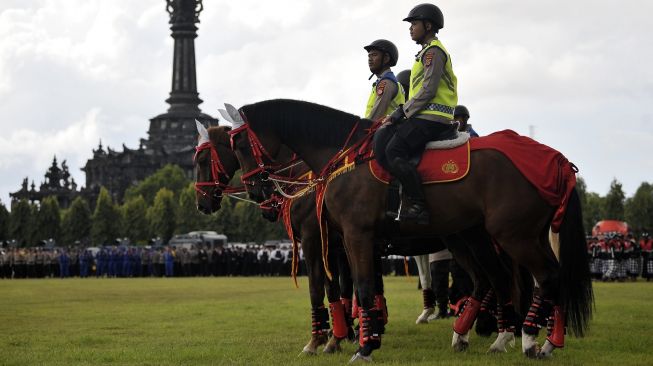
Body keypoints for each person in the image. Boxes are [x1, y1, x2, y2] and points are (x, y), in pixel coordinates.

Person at [382, 3, 458, 224]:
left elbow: (428, 90)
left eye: (414, 24)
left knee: (394, 149)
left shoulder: (433, 52)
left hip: (432, 117)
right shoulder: (425, 52)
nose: (410, 28)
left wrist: (400, 113)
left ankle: (418, 205)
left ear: (428, 25)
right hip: (424, 115)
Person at [364, 40, 405, 121]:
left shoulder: (386, 83)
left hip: (382, 131)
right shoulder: (384, 81)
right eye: (369, 56)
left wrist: (362, 130)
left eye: (374, 55)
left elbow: (375, 118)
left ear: (386, 58)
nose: (370, 59)